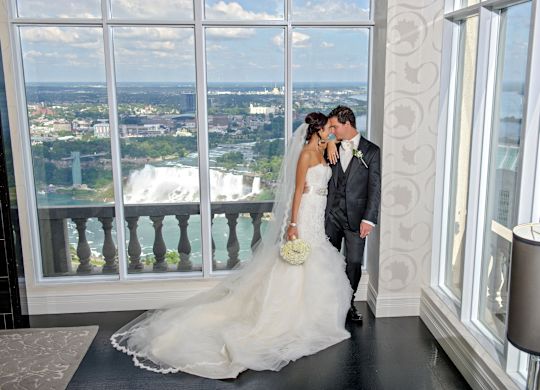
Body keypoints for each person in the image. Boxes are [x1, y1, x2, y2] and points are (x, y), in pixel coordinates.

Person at [110, 112, 353, 379]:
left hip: (318, 211)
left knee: (317, 262)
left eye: (333, 128)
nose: (333, 131)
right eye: (328, 128)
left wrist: (330, 142)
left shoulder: (325, 146)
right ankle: (292, 317)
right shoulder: (306, 154)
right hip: (306, 212)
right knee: (299, 265)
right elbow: (297, 192)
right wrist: (292, 225)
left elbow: (338, 143)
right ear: (317, 131)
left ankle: (314, 318)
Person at [324, 106, 381, 323]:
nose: (332, 130)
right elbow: (309, 144)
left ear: (347, 124)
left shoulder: (372, 151)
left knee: (354, 263)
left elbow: (375, 188)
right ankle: (329, 302)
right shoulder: (331, 145)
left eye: (335, 127)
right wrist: (330, 140)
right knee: (328, 261)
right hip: (331, 217)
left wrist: (369, 219)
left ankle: (348, 303)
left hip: (357, 219)